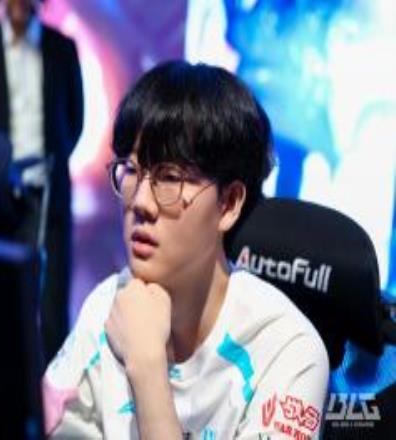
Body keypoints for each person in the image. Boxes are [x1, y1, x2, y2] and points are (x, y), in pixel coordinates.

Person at [43, 61, 329, 439]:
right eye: (132, 170)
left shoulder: (288, 350)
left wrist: (147, 366)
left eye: (169, 178)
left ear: (228, 204)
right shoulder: (108, 304)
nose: (141, 202)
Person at [0, 0, 83, 363]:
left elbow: (75, 119)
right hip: (0, 196)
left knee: (52, 307)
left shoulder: (62, 48)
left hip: (50, 194)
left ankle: (52, 388)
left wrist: (53, 162)